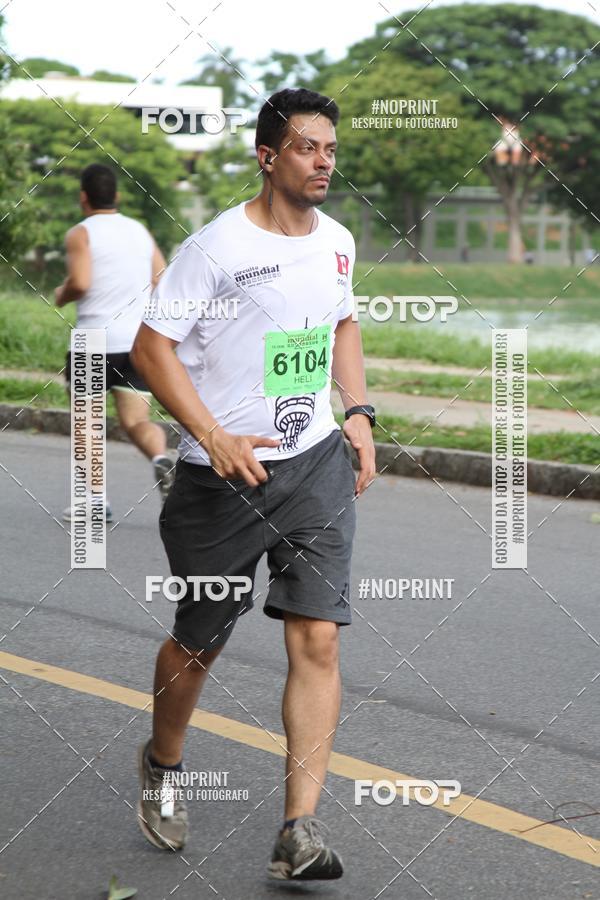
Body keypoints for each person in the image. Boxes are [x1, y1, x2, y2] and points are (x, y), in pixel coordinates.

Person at [132, 88, 377, 881]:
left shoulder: (337, 240)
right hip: (221, 478)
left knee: (318, 636)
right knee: (201, 639)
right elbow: (149, 348)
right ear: (268, 156)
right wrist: (208, 433)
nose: (325, 162)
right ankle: (164, 764)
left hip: (314, 464)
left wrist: (360, 411)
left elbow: (342, 322)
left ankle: (297, 832)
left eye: (331, 149)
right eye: (309, 148)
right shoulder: (216, 248)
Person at [55, 163, 173, 521]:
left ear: (83, 197)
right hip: (135, 341)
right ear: (117, 196)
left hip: (93, 340)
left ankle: (94, 502)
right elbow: (161, 278)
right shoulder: (139, 230)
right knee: (136, 421)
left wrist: (62, 294)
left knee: (87, 423)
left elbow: (81, 281)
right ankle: (161, 458)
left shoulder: (81, 233)